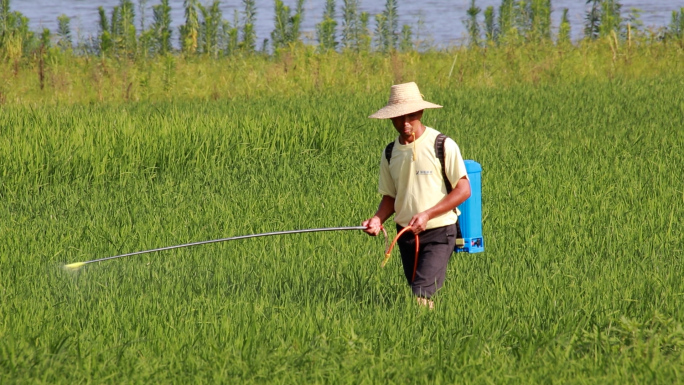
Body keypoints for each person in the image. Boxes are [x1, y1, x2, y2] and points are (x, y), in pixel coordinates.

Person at [362, 82, 471, 309]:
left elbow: (463, 190)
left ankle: (429, 336)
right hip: (405, 235)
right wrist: (377, 219)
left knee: (421, 295)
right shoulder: (390, 152)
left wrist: (427, 214)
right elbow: (391, 197)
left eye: (410, 116)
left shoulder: (442, 145)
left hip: (440, 231)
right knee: (416, 292)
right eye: (398, 117)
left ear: (420, 112)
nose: (405, 123)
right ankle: (426, 337)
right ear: (390, 118)